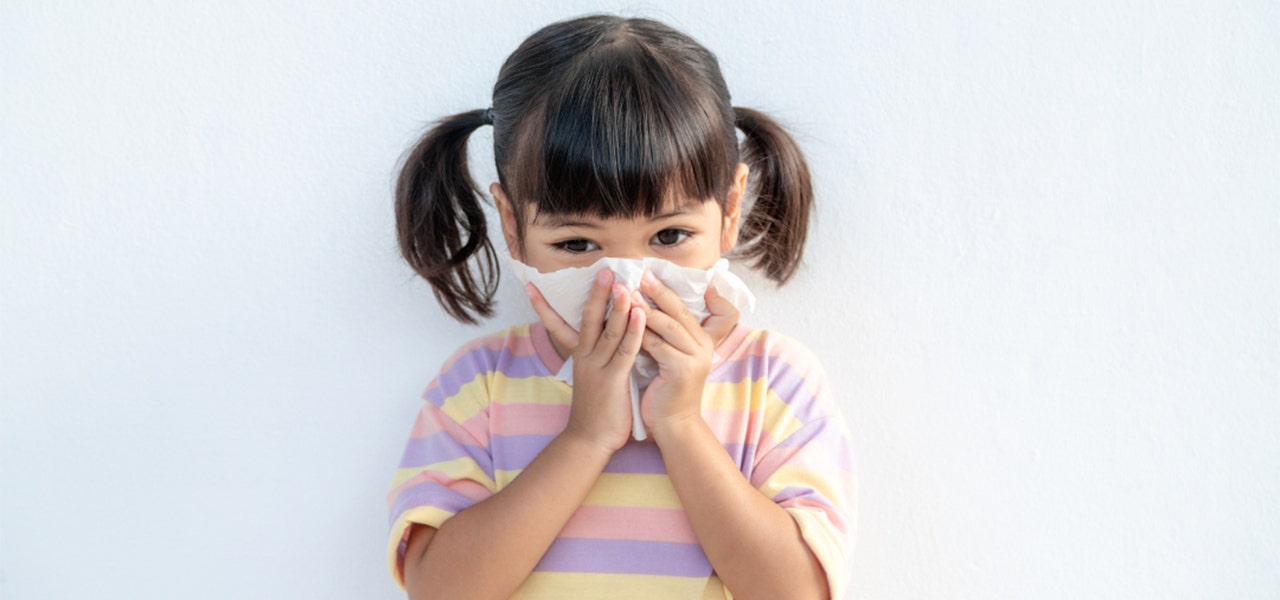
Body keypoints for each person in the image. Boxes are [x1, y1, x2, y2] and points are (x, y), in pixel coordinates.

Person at [386, 14, 856, 599]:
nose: (627, 283)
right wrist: (583, 438)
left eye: (668, 236)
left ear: (729, 210)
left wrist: (681, 425)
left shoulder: (775, 382)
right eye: (577, 245)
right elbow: (439, 591)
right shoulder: (477, 385)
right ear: (512, 225)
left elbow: (798, 593)